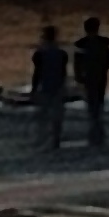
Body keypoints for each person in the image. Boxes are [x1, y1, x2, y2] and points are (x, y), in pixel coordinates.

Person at [72, 13, 109, 147]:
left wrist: (79, 77)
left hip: (88, 77)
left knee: (92, 104)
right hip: (101, 76)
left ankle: (95, 130)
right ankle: (98, 130)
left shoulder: (82, 44)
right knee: (99, 102)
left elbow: (77, 63)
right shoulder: (103, 43)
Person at [29, 22, 69, 151]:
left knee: (43, 116)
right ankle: (56, 139)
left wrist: (34, 89)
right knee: (57, 116)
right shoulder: (62, 54)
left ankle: (43, 139)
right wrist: (64, 87)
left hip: (45, 88)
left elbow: (37, 74)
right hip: (58, 87)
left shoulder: (39, 54)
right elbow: (63, 73)